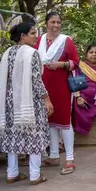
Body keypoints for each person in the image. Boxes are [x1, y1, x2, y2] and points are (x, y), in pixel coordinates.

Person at [0, 23, 54, 185]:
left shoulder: (7, 52)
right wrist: (46, 99)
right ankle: (35, 175)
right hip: (30, 101)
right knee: (35, 135)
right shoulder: (32, 53)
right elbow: (36, 80)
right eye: (32, 33)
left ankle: (11, 173)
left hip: (9, 102)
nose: (36, 36)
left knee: (13, 135)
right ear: (22, 36)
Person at [35, 12, 79, 175]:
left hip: (61, 87)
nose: (56, 25)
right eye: (52, 22)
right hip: (43, 87)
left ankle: (69, 159)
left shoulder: (66, 41)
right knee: (50, 120)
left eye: (58, 22)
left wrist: (61, 64)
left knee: (64, 120)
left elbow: (75, 62)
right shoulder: (39, 41)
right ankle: (53, 155)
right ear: (46, 23)